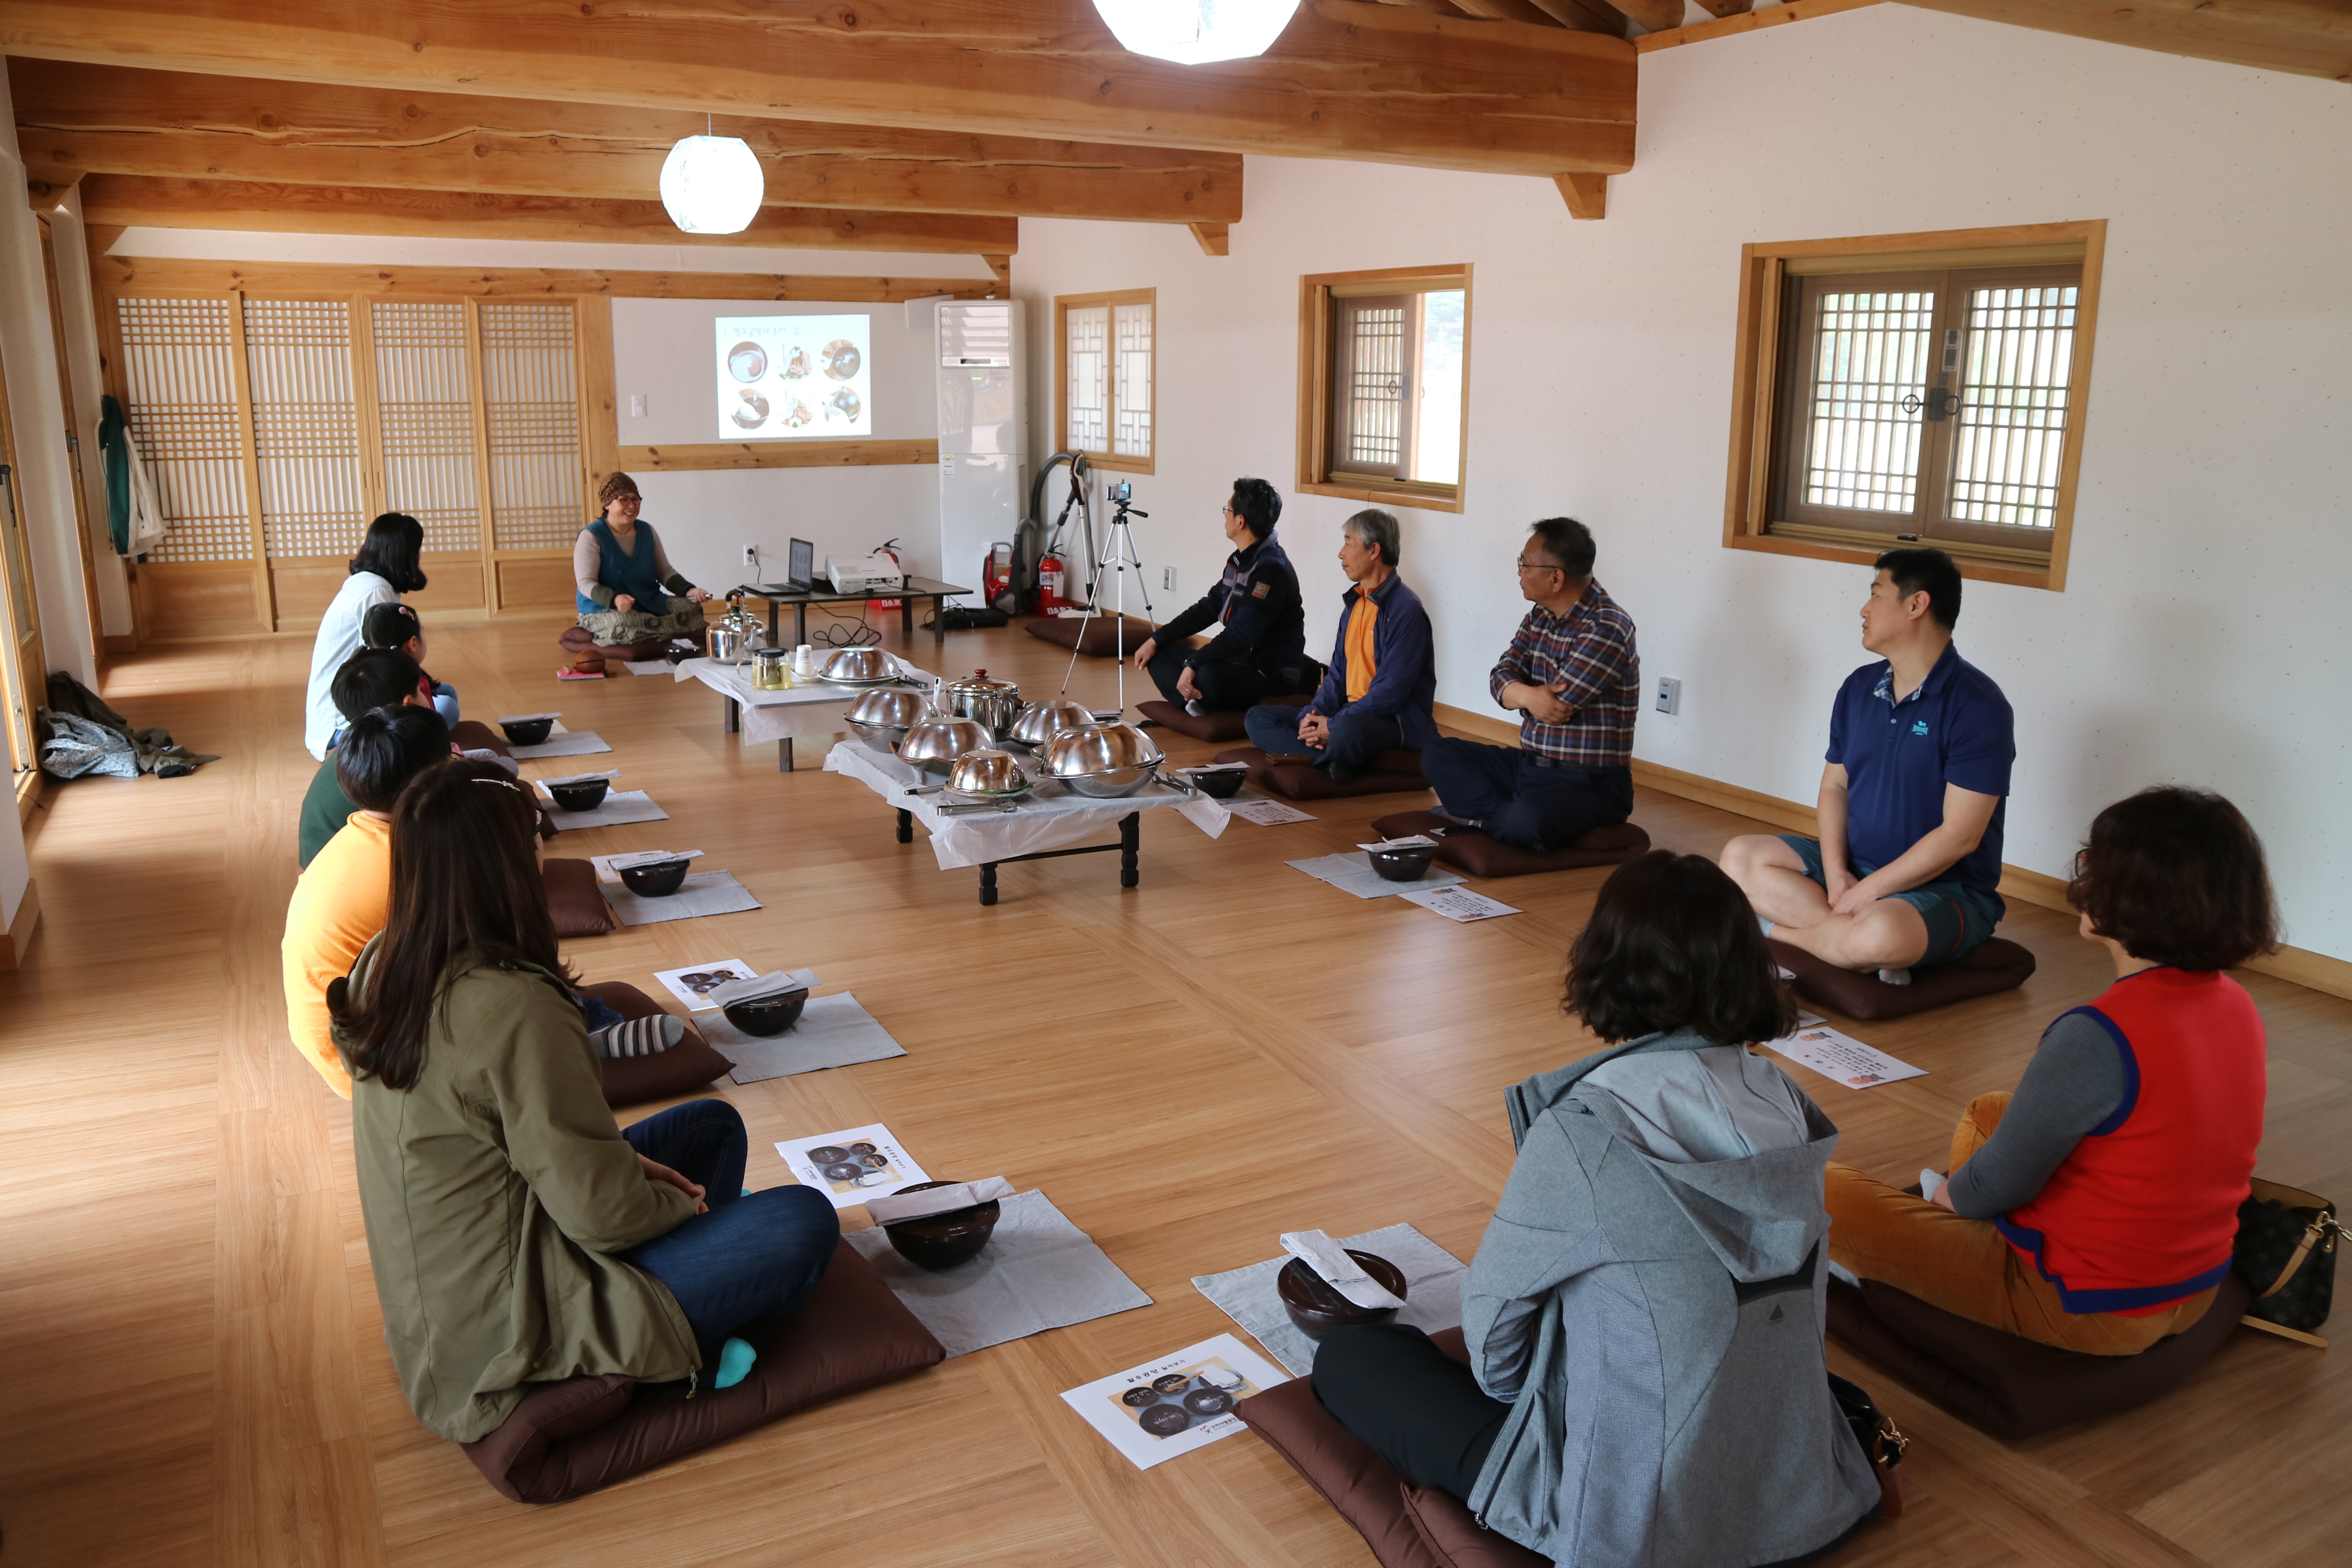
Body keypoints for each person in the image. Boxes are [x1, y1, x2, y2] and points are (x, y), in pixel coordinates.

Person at [1312, 852, 1880, 1566]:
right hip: (1794, 1493)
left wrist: (1555, 1382)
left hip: (1635, 1515)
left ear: (1607, 964)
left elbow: (1495, 1356)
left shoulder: (1588, 1130)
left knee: (1355, 1354)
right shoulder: (1791, 1105)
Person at [330, 760, 839, 1442]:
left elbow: (543, 1153)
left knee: (713, 1126)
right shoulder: (513, 1009)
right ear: (503, 868)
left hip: (473, 1266)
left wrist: (633, 1178)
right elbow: (599, 1217)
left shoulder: (383, 958)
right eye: (534, 846)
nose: (544, 859)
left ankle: (680, 1281)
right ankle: (671, 1341)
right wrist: (668, 1204)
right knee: (804, 1218)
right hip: (511, 1325)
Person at [1824, 786, 2274, 1353]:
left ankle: (1925, 1261)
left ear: (2137, 894)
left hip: (2085, 1307)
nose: (2083, 874)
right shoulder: (2235, 1001)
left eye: (2094, 862)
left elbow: (1992, 1185)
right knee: (1989, 1110)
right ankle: (1956, 1238)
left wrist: (1939, 1212)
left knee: (1819, 1188)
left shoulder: (2098, 1033)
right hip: (2197, 1286)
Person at [1720, 548, 2014, 983]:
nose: (1864, 608)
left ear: (1917, 605)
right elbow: (1834, 787)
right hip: (1852, 870)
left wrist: (1871, 893)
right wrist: (1838, 875)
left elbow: (1960, 836)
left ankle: (1772, 932)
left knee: (1880, 934)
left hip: (1942, 890)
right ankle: (1844, 941)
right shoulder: (1859, 687)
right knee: (1738, 858)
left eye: (1877, 594)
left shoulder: (1978, 706)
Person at [1422, 517, 1639, 850]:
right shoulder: (1540, 615)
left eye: (1525, 563)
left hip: (1588, 783)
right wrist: (1526, 694)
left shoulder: (1606, 627)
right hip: (1528, 766)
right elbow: (1501, 675)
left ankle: (1482, 817)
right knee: (1438, 752)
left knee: (1529, 818)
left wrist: (1523, 696)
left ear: (1556, 578)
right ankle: (1497, 817)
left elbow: (1556, 707)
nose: (1520, 572)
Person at [281, 705, 453, 1097]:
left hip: (333, 1041)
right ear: (432, 779)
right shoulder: (410, 864)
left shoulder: (358, 836)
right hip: (373, 1069)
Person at [1241, 509, 1436, 783]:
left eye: (1348, 542)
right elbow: (1336, 675)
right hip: (1348, 713)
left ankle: (1333, 753)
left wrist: (1333, 725)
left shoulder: (1407, 611)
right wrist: (1314, 716)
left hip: (1390, 720)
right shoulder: (1356, 603)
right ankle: (1335, 759)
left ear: (1373, 550)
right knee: (1257, 717)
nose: (1341, 554)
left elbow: (1390, 693)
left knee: (1350, 732)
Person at [1130, 478, 1310, 714]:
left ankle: (1197, 701)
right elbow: (1208, 607)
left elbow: (1241, 635)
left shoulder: (1270, 570)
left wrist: (1194, 663)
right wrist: (1157, 639)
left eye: (1228, 510)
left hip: (1267, 673)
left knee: (1207, 673)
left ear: (1241, 521)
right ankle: (1195, 702)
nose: (1225, 516)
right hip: (1236, 662)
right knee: (1158, 654)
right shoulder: (1242, 559)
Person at [303, 511, 426, 759]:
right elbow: (390, 666)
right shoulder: (376, 590)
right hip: (341, 725)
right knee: (439, 711)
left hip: (337, 717)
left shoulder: (366, 582)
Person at [574, 471, 711, 648]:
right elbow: (585, 583)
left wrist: (689, 590)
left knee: (690, 609)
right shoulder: (591, 536)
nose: (632, 506)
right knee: (627, 624)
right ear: (608, 503)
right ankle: (670, 636)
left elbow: (665, 572)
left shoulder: (647, 531)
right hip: (605, 608)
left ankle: (657, 635)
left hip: (647, 601)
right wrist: (615, 599)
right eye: (624, 500)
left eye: (636, 499)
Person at [360, 601, 459, 728]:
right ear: (413, 643)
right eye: (422, 632)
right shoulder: (413, 684)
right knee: (449, 707)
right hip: (412, 734)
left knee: (447, 690)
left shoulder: (368, 668)